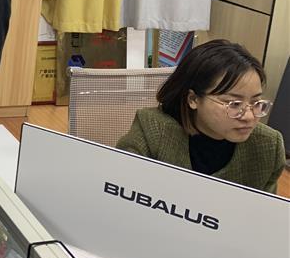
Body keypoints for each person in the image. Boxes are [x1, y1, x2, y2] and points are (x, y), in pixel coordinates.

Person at [117, 40, 285, 193]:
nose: (248, 116)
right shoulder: (152, 130)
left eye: (255, 103)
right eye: (234, 104)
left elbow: (262, 211)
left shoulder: (268, 145)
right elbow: (119, 191)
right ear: (193, 99)